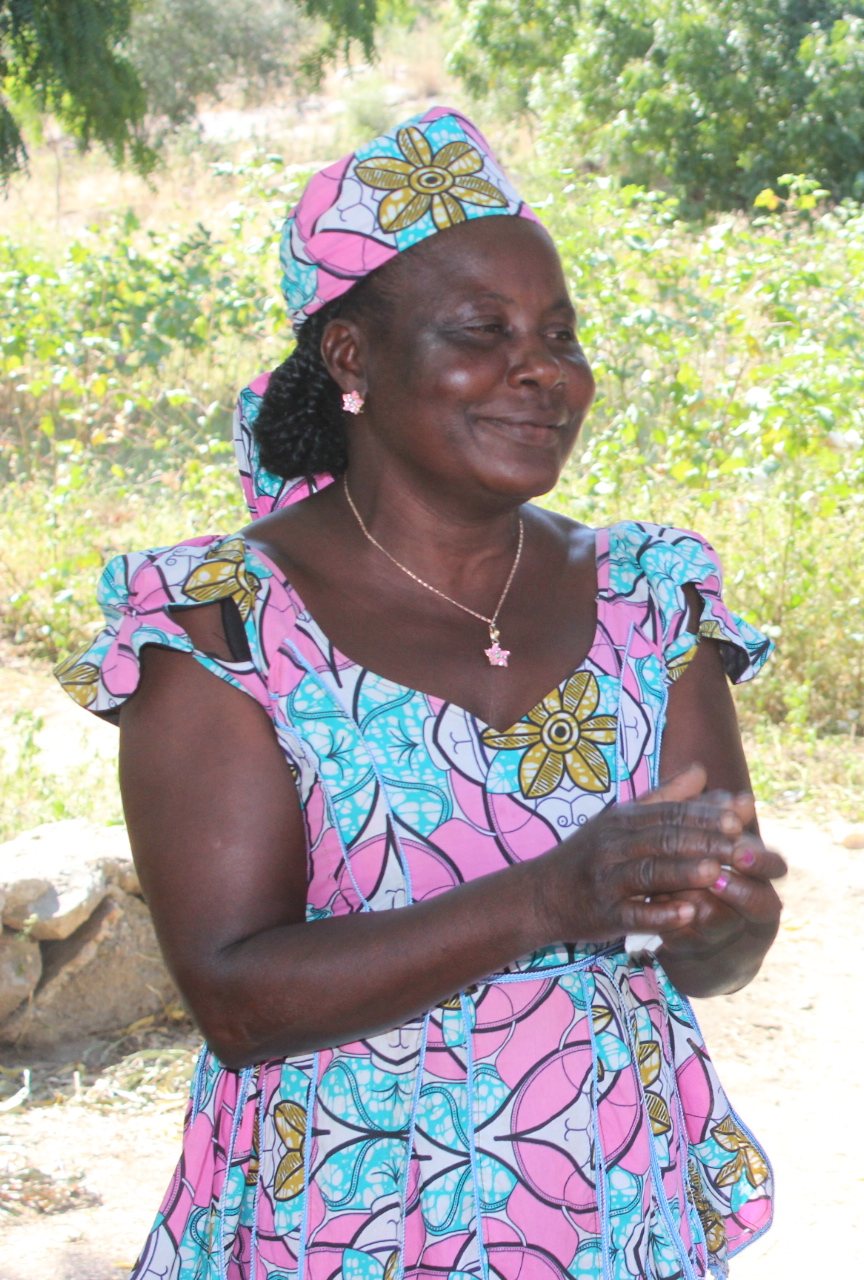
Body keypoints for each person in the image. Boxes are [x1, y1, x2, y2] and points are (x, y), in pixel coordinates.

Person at [51, 108, 780, 1280]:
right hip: (346, 1211)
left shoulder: (651, 597)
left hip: (603, 1197)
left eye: (559, 333)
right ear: (351, 357)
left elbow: (711, 949)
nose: (542, 370)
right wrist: (549, 897)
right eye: (482, 332)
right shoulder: (227, 627)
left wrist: (723, 921)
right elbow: (236, 996)